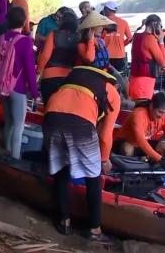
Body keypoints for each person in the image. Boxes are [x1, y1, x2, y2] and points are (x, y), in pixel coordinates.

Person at [44, 65, 120, 241]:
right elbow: (105, 134)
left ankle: (64, 222)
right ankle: (94, 229)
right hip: (80, 122)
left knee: (62, 170)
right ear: (114, 85)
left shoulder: (75, 79)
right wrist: (104, 159)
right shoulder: (113, 94)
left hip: (51, 116)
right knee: (93, 177)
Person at [0, 7, 39, 159]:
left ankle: (6, 152)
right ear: (23, 22)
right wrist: (35, 93)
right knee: (19, 126)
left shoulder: (3, 38)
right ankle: (14, 160)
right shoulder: (25, 41)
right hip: (18, 88)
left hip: (3, 86)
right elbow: (30, 69)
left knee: (8, 122)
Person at [114, 92, 165, 169]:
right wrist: (159, 159)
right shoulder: (138, 115)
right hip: (125, 144)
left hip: (143, 145)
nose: (161, 116)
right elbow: (141, 141)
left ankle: (152, 163)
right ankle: (137, 164)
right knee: (127, 148)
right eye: (160, 112)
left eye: (164, 113)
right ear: (151, 106)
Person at [37, 11, 80, 104]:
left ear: (63, 22)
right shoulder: (79, 37)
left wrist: (38, 71)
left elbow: (45, 56)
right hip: (69, 78)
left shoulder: (54, 34)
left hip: (50, 77)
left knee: (48, 105)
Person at [128, 14, 165, 101]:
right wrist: (161, 41)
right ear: (156, 25)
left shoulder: (136, 36)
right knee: (143, 108)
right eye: (160, 26)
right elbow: (163, 62)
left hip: (134, 79)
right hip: (144, 82)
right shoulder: (150, 39)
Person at [101, 1, 132, 73]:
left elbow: (99, 39)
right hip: (120, 56)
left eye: (104, 8)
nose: (103, 10)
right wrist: (122, 44)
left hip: (105, 56)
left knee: (107, 78)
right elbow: (130, 38)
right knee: (119, 78)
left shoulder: (102, 22)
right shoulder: (123, 22)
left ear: (107, 9)